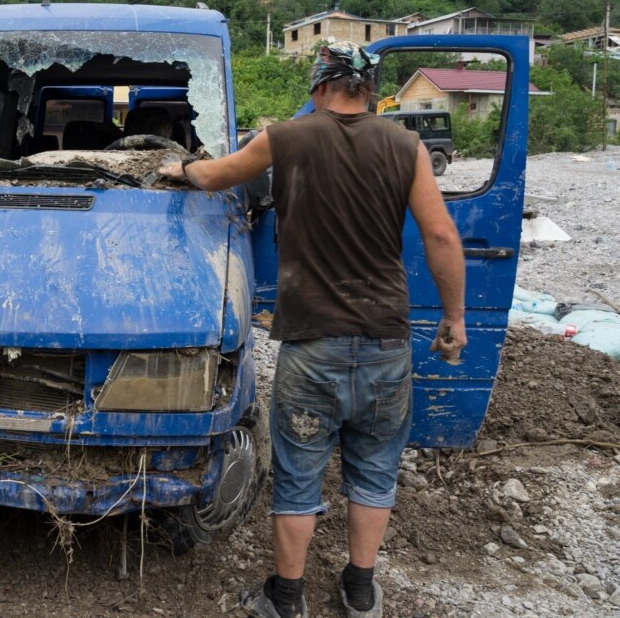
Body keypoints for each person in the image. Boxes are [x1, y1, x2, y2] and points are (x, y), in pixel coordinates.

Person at [159, 42, 467, 618]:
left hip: (312, 347)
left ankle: (287, 598)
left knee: (299, 477)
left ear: (319, 86)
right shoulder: (407, 146)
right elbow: (443, 237)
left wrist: (180, 168)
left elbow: (214, 177)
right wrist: (454, 317)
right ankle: (359, 591)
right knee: (374, 474)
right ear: (370, 91)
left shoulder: (287, 137)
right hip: (385, 344)